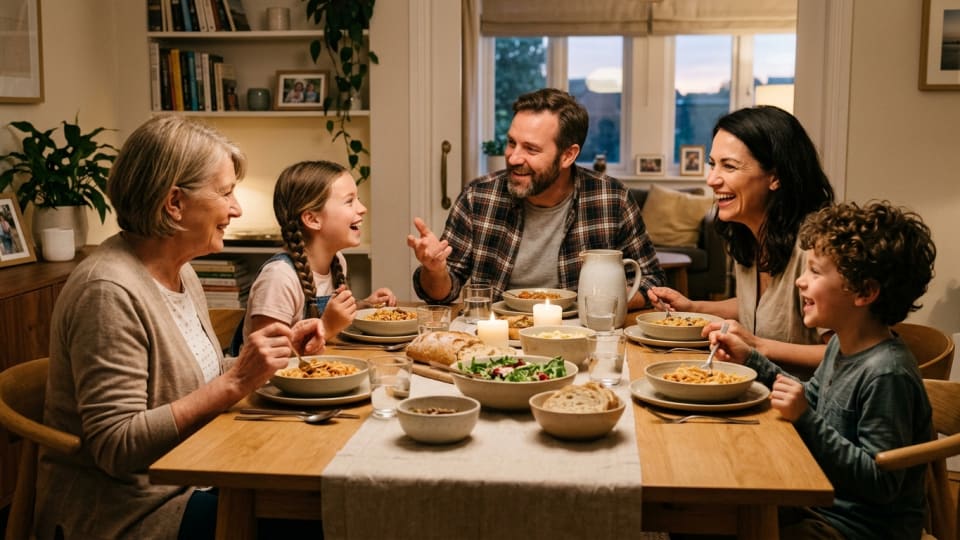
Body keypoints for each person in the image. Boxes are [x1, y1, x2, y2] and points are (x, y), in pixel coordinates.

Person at [35, 115, 325, 540]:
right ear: (174, 203)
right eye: (226, 192)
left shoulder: (180, 272)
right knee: (313, 519)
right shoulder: (108, 290)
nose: (237, 208)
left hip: (195, 472)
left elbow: (193, 377)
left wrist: (273, 356)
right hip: (131, 512)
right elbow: (116, 446)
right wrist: (237, 382)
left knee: (320, 497)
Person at [708, 200, 936, 540]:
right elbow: (809, 399)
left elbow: (881, 483)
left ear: (865, 292)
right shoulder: (839, 347)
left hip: (858, 529)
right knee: (707, 512)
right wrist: (752, 358)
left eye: (815, 271)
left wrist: (806, 419)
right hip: (818, 502)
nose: (801, 281)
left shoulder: (886, 373)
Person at [408, 88, 665, 308]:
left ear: (568, 155)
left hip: (582, 335)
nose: (513, 157)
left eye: (531, 149)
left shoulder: (612, 198)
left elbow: (652, 281)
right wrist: (435, 270)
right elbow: (442, 294)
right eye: (511, 143)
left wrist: (603, 301)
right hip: (497, 335)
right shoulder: (479, 196)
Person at [648, 106, 835, 374]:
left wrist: (758, 346)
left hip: (802, 408)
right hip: (756, 389)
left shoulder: (815, 249)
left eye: (729, 166)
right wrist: (692, 307)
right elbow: (758, 308)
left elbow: (848, 354)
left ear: (775, 177)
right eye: (713, 164)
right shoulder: (747, 235)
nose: (711, 179)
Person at [240, 160, 396, 347]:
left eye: (358, 199)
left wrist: (365, 305)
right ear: (312, 219)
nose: (362, 209)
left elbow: (325, 313)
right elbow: (265, 356)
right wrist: (327, 327)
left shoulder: (337, 261)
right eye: (349, 201)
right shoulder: (279, 278)